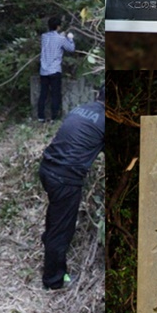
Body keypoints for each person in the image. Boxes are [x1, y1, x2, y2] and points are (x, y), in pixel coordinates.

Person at [39, 85, 105, 290]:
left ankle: (48, 244)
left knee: (55, 216)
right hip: (65, 178)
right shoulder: (106, 119)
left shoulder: (81, 109)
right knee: (63, 229)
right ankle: (54, 280)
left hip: (47, 168)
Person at [37, 16, 75, 122]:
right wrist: (70, 38)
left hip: (43, 70)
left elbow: (53, 39)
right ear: (58, 26)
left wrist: (61, 35)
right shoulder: (61, 39)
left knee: (43, 94)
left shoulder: (44, 36)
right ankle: (54, 117)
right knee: (55, 94)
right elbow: (71, 49)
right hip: (55, 70)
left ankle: (40, 117)